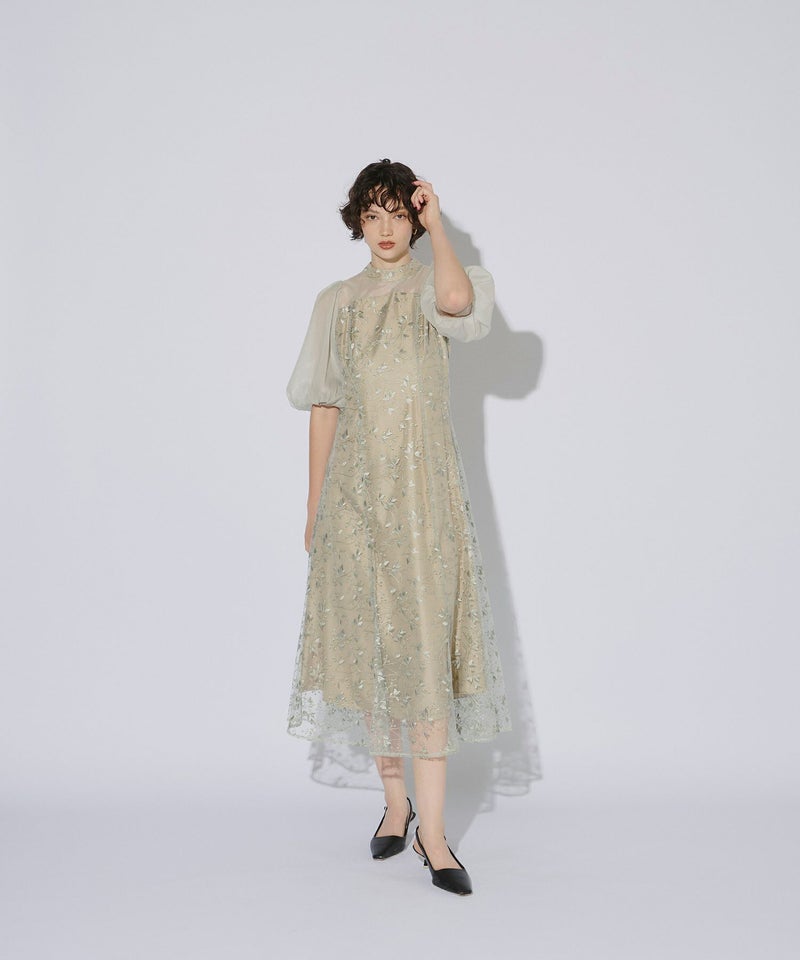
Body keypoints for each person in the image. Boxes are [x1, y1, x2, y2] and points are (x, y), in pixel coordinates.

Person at [286, 159, 511, 896]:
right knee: (373, 647)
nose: (386, 229)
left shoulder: (436, 283)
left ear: (415, 217)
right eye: (372, 215)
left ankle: (434, 838)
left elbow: (457, 301)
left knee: (422, 647)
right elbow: (325, 405)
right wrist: (315, 504)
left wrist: (439, 228)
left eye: (399, 214)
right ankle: (395, 806)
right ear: (358, 221)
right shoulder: (337, 301)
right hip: (355, 499)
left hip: (424, 498)